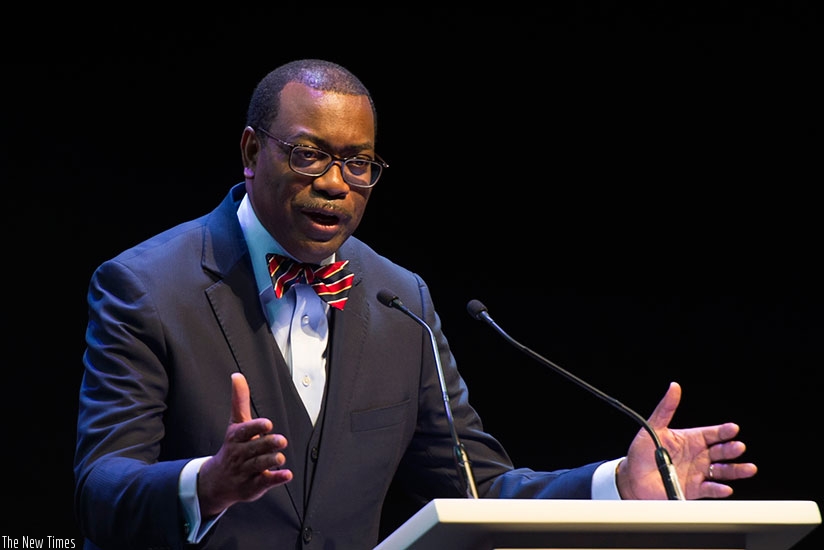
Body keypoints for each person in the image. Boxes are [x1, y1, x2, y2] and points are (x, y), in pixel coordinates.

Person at [74, 58, 757, 550]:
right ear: (252, 152)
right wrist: (208, 484)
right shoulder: (146, 287)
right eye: (310, 155)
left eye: (360, 164)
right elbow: (100, 491)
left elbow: (474, 490)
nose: (338, 185)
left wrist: (616, 486)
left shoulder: (400, 299)